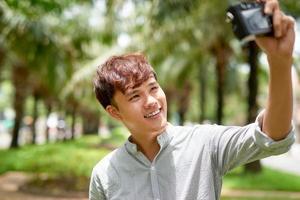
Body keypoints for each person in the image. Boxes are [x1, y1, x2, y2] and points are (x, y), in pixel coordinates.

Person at [89, 0, 295, 199]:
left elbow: (272, 137)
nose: (151, 100)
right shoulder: (105, 175)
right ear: (114, 112)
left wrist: (279, 62)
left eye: (153, 88)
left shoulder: (204, 143)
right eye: (135, 95)